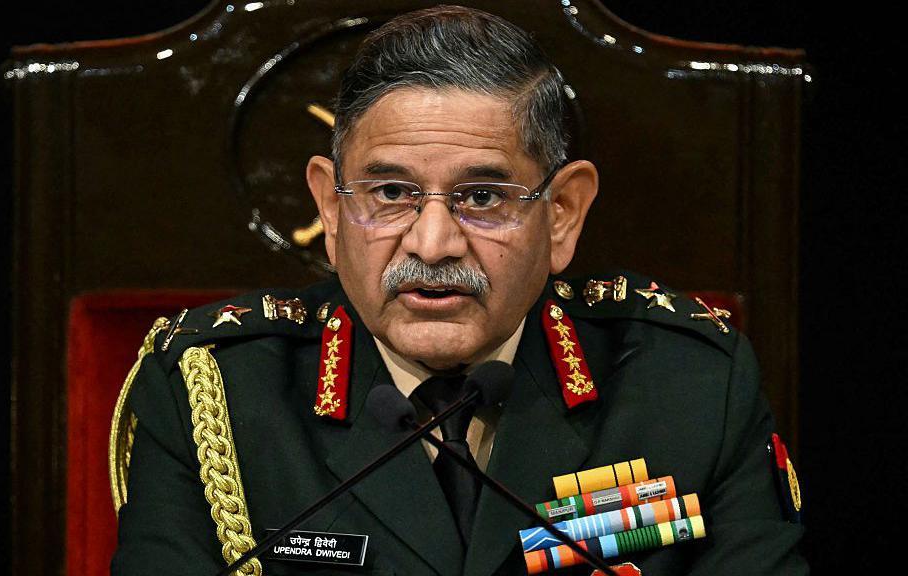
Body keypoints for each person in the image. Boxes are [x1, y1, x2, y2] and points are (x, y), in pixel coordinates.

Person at [111, 5, 806, 575]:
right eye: (391, 193)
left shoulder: (691, 387)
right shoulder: (214, 392)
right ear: (330, 207)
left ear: (561, 215)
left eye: (482, 196)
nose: (433, 243)